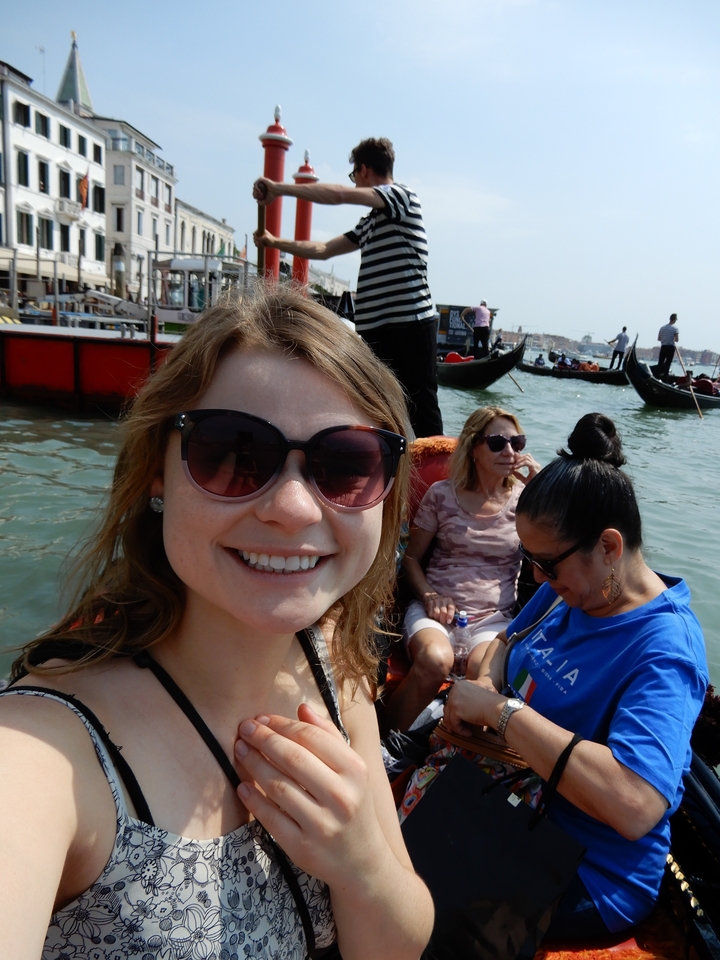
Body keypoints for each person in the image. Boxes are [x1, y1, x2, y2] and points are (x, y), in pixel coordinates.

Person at [0, 287, 434, 958]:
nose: (292, 507)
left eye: (345, 465)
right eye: (233, 452)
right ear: (156, 474)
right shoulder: (45, 753)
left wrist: (363, 866)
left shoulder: (338, 679)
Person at [444, 413, 708, 942]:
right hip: (515, 807)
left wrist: (501, 713)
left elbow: (635, 804)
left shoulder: (664, 650)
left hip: (588, 868)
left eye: (547, 562)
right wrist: (488, 684)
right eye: (530, 560)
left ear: (609, 547)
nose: (537, 577)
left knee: (422, 904)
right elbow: (502, 644)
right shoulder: (567, 592)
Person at [253, 137, 443, 439]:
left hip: (409, 324)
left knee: (421, 408)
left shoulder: (401, 197)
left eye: (354, 175)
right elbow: (324, 248)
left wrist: (281, 189)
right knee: (378, 406)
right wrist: (274, 243)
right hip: (375, 329)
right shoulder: (369, 222)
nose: (353, 183)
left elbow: (339, 195)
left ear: (364, 170)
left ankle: (433, 477)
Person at [384, 406, 540, 733]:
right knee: (434, 660)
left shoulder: (527, 502)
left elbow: (551, 554)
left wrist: (541, 492)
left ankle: (447, 755)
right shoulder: (442, 495)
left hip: (493, 619)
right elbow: (410, 559)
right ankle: (386, 741)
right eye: (498, 442)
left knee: (483, 678)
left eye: (517, 442)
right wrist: (429, 595)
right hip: (436, 611)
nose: (510, 451)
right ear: (474, 448)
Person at [657, 313, 679, 378]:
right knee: (668, 364)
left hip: (663, 347)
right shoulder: (675, 328)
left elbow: (659, 338)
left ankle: (656, 376)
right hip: (670, 348)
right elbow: (677, 339)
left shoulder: (662, 328)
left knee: (660, 363)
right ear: (674, 319)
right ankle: (665, 379)